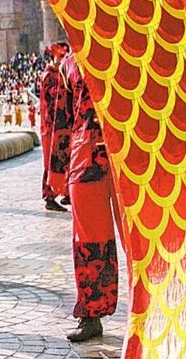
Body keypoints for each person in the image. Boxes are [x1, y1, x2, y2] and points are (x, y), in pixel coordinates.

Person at [61, 51, 119, 343]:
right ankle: (91, 313)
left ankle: (158, 306)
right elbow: (63, 118)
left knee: (144, 240)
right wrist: (57, 175)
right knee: (88, 241)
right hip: (85, 161)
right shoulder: (68, 64)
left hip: (130, 157)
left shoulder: (125, 43)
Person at [38, 43, 72, 212]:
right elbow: (54, 97)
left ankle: (68, 193)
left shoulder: (60, 74)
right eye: (60, 58)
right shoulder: (48, 76)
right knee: (51, 162)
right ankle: (49, 196)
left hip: (63, 126)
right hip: (50, 128)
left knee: (68, 158)